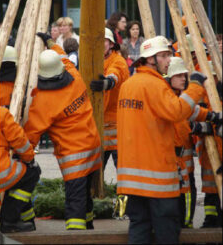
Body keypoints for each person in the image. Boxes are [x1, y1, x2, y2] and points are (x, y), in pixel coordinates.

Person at [117, 35, 209, 244]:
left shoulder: (128, 85)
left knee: (139, 229)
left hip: (132, 180)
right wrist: (195, 86)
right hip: (157, 177)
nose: (169, 60)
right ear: (150, 59)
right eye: (164, 55)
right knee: (166, 232)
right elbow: (177, 111)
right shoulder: (155, 85)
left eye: (169, 54)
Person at [24, 32, 101, 230]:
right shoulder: (74, 75)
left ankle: (77, 236)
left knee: (75, 204)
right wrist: (51, 42)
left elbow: (32, 132)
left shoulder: (43, 101)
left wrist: (22, 153)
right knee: (85, 196)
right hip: (92, 147)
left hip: (74, 156)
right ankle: (89, 227)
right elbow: (64, 57)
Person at [166, 57, 210, 228]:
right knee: (176, 196)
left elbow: (194, 111)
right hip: (172, 162)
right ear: (170, 77)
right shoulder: (169, 98)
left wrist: (209, 120)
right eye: (179, 76)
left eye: (185, 75)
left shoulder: (181, 98)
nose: (184, 79)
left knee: (188, 193)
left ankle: (187, 224)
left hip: (185, 163)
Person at [90, 28, 129, 169]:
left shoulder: (118, 61)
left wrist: (108, 82)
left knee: (123, 170)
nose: (100, 44)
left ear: (111, 44)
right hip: (100, 126)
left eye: (104, 41)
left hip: (118, 125)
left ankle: (124, 192)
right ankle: (96, 192)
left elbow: (115, 74)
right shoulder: (93, 61)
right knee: (96, 173)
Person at [191, 61, 222, 228]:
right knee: (210, 193)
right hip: (209, 155)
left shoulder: (218, 98)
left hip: (219, 153)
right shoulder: (204, 99)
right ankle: (210, 220)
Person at [0, 106, 41, 233]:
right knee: (32, 173)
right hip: (1, 172)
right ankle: (9, 220)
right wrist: (29, 159)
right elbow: (19, 141)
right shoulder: (1, 114)